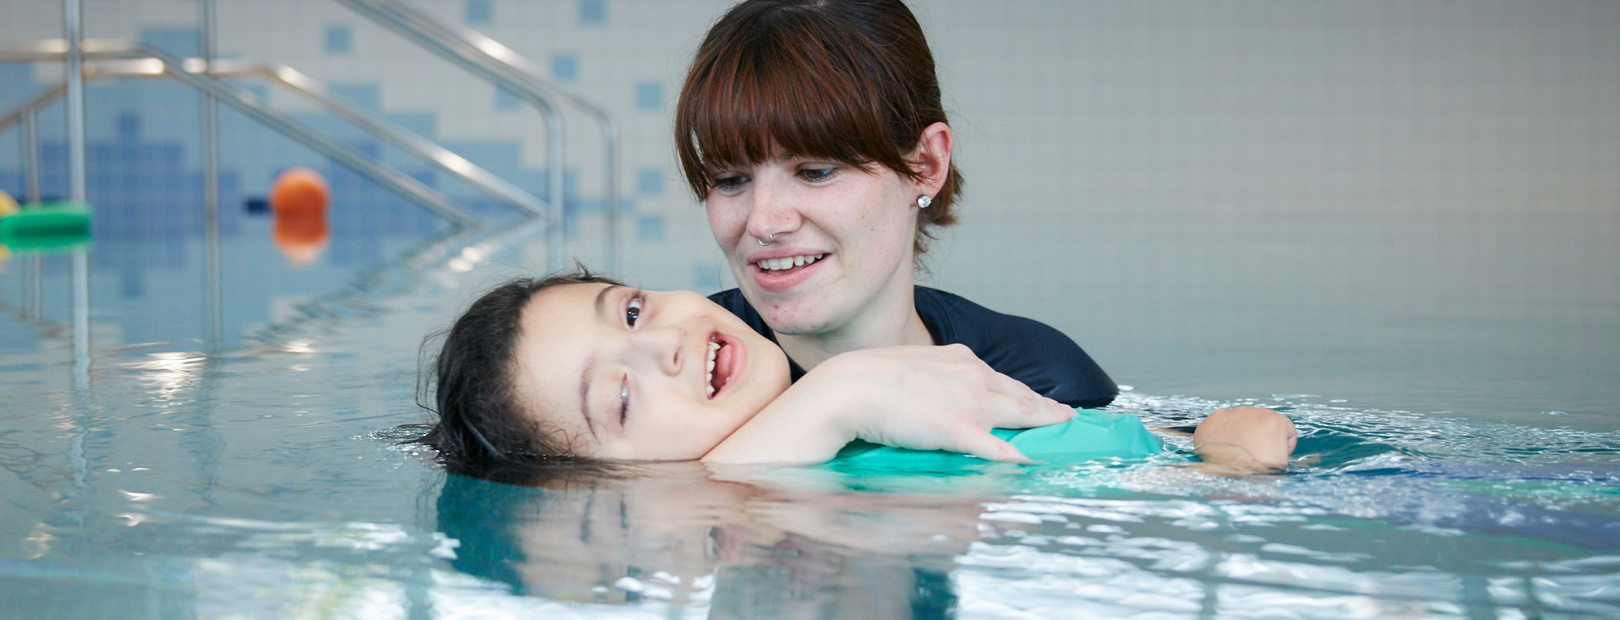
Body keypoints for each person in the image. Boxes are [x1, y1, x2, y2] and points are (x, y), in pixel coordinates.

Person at [675, 0, 1115, 409]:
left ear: (925, 165)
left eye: (816, 172)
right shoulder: (671, 382)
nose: (763, 222)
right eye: (729, 180)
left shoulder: (1038, 381)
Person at [419, 272, 1297, 471]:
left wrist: (1206, 446)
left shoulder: (1019, 366)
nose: (666, 347)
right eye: (619, 394)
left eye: (634, 310)